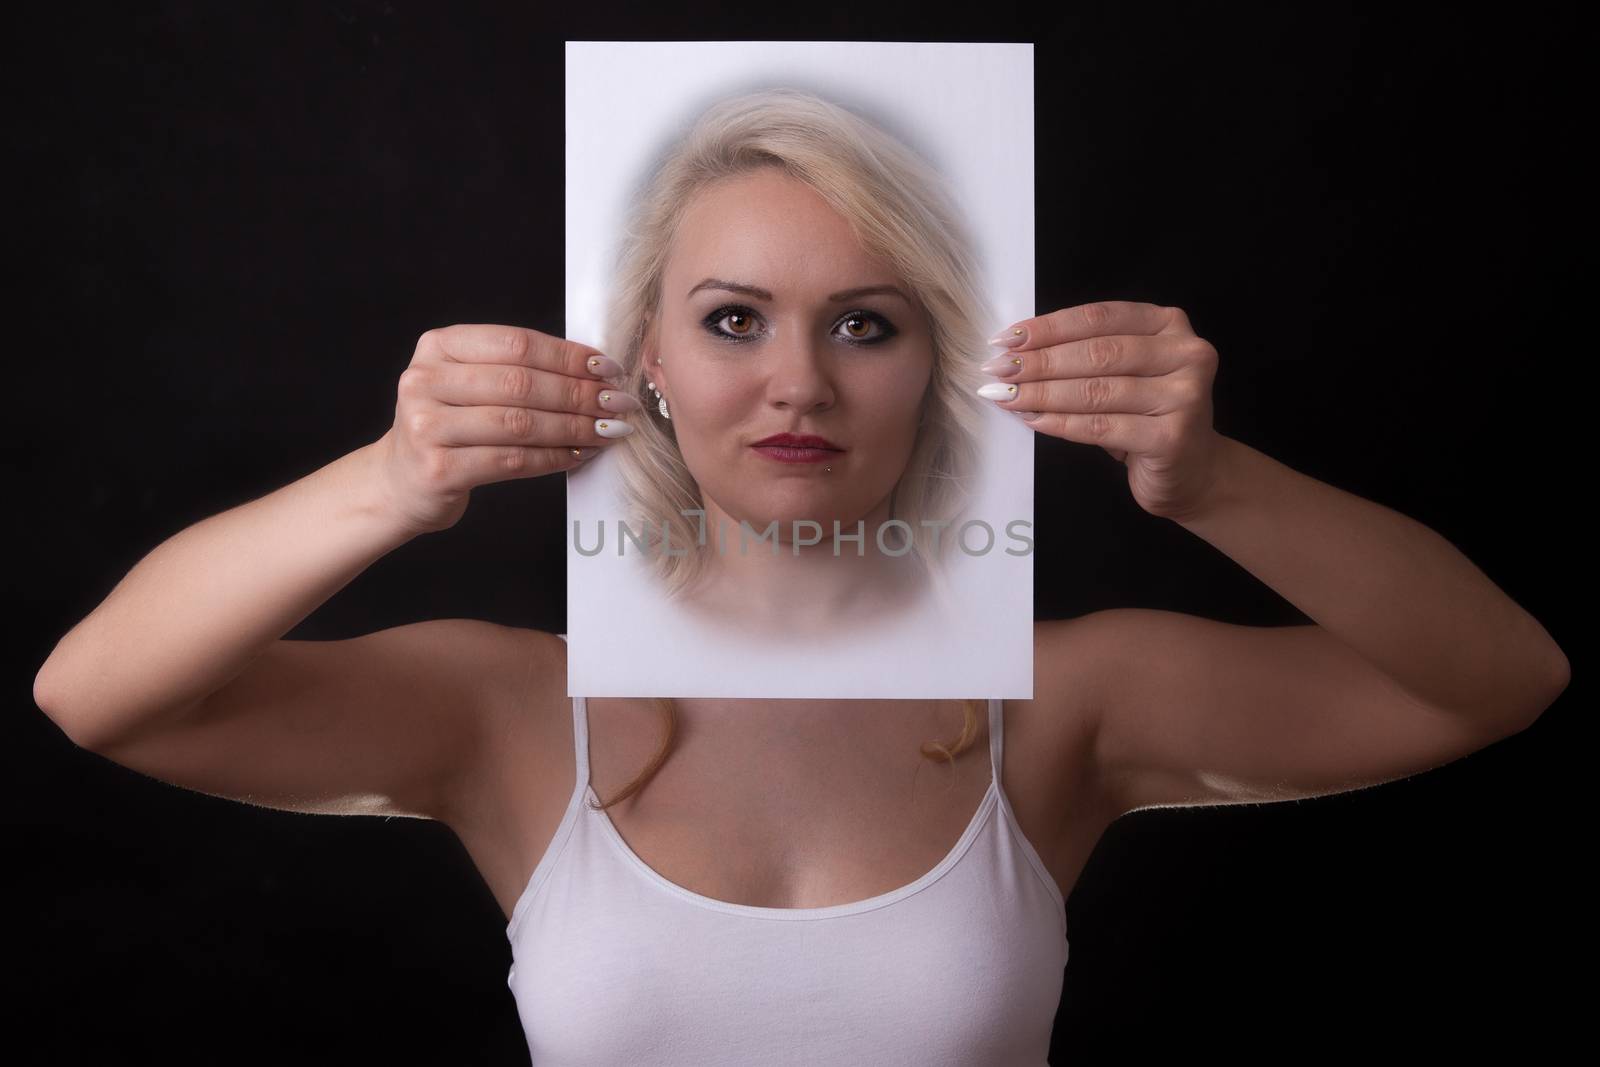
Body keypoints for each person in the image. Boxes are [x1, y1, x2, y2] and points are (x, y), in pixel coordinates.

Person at [32, 88, 1569, 1066]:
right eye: (731, 319)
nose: (797, 390)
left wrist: (1218, 481)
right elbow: (98, 699)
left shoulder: (1057, 699)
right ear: (644, 358)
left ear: (944, 366)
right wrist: (392, 479)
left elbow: (1503, 681)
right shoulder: (517, 711)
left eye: (865, 323)